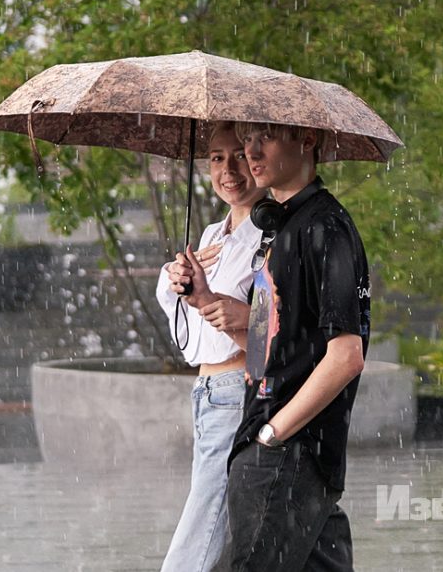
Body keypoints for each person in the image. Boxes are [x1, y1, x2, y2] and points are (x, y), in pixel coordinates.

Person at [211, 123, 370, 572]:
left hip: (286, 452)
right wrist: (204, 299)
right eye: (247, 138)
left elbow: (346, 356)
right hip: (276, 450)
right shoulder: (280, 229)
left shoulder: (325, 227)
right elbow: (267, 350)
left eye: (268, 137)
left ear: (307, 140)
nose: (251, 150)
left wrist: (274, 434)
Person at [156, 121, 265, 572]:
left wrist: (213, 300)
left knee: (204, 518)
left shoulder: (271, 236)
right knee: (224, 521)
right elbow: (189, 333)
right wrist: (175, 281)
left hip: (235, 387)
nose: (229, 170)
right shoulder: (210, 236)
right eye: (217, 158)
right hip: (205, 392)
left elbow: (270, 327)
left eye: (239, 154)